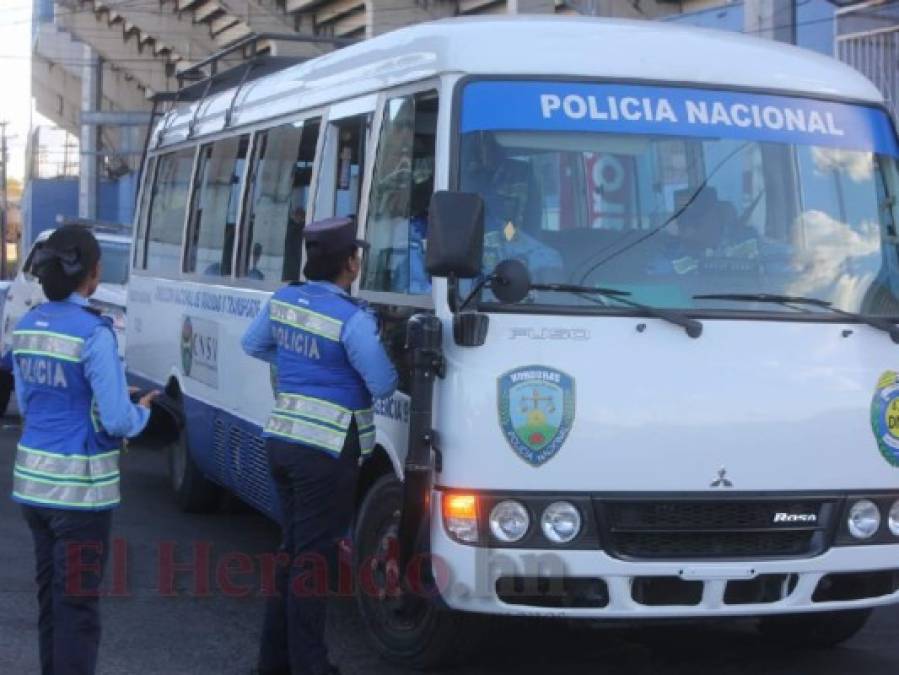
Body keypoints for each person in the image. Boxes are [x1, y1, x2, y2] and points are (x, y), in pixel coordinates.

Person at [241, 217, 397, 675]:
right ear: (350, 263)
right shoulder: (353, 320)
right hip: (325, 449)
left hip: (283, 440)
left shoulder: (285, 300)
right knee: (312, 560)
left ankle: (273, 662)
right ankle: (309, 665)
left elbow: (253, 345)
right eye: (357, 255)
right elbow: (383, 383)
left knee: (292, 553)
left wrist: (297, 364)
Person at [9, 225, 158, 675]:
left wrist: (102, 394)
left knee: (52, 602)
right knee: (78, 609)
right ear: (92, 275)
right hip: (78, 493)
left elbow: (33, 398)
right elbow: (115, 419)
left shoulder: (28, 326)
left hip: (34, 486)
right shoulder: (95, 333)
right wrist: (144, 413)